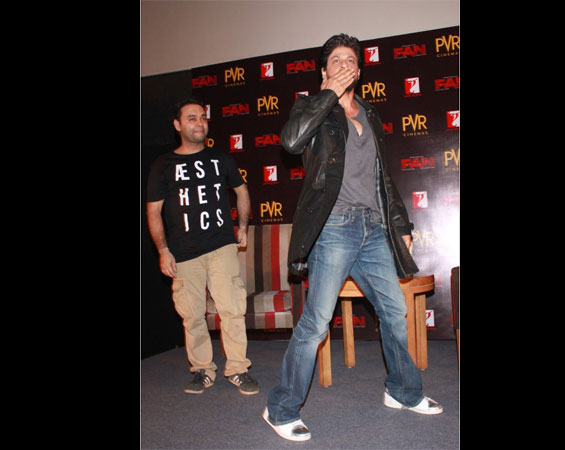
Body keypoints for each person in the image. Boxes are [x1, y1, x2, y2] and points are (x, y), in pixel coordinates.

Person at [262, 34, 442, 442]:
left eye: (350, 60)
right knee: (316, 322)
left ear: (359, 71)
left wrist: (400, 226)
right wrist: (329, 93)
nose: (344, 64)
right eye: (336, 60)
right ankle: (281, 407)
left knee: (394, 312)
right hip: (334, 228)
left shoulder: (370, 113)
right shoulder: (310, 106)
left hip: (373, 229)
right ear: (324, 71)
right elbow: (291, 141)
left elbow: (383, 178)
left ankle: (401, 391)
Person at [146, 98, 259, 396]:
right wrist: (163, 250)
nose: (199, 123)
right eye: (192, 118)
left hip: (221, 246)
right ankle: (202, 370)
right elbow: (153, 211)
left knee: (232, 310)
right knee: (192, 315)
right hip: (183, 253)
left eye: (203, 118)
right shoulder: (163, 165)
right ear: (177, 125)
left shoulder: (220, 158)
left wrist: (243, 226)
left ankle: (238, 368)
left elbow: (241, 191)